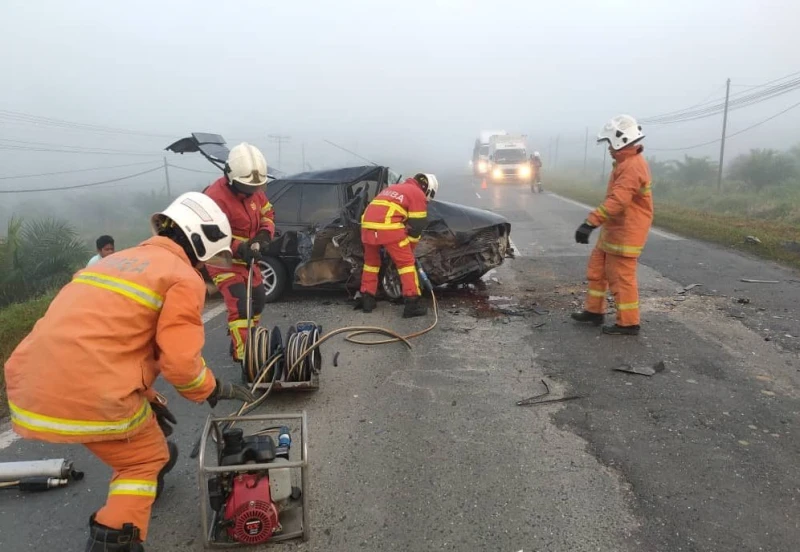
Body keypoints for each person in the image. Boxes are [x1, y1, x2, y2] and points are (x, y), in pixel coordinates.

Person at [3, 192, 256, 552]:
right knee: (143, 460)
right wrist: (213, 389)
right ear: (201, 242)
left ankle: (147, 476)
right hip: (90, 395)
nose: (205, 265)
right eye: (207, 257)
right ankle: (115, 539)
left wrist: (148, 396)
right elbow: (181, 365)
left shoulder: (110, 262)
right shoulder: (181, 277)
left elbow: (108, 340)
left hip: (30, 384)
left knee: (145, 437)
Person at [572, 114, 653, 336]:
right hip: (614, 231)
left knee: (621, 278)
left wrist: (590, 223)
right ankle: (594, 311)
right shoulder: (625, 163)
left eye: (609, 143)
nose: (608, 148)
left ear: (620, 140)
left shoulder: (632, 167)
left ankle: (628, 323)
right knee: (597, 271)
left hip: (626, 233)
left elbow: (618, 201)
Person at [203, 143, 275, 364]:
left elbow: (268, 213)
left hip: (248, 259)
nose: (252, 191)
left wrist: (264, 235)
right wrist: (239, 247)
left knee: (258, 301)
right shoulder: (214, 197)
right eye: (246, 186)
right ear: (230, 176)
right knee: (240, 305)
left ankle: (248, 340)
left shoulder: (255, 192)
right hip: (222, 260)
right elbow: (210, 234)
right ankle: (245, 357)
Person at [356, 173, 439, 318]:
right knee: (406, 264)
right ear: (429, 190)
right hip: (388, 228)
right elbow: (417, 225)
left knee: (371, 263)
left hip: (367, 227)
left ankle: (367, 299)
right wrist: (410, 248)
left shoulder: (394, 188)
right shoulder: (417, 193)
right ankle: (412, 303)